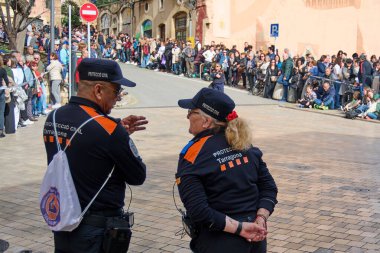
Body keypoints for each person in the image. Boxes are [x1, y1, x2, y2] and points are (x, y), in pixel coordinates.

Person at [43, 58, 147, 253]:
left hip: (63, 218)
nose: (118, 98)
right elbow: (138, 176)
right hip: (97, 229)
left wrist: (117, 131)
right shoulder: (110, 130)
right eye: (116, 92)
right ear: (98, 90)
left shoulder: (54, 117)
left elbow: (84, 147)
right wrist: (120, 135)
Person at [176, 88, 278, 253]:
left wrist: (240, 228)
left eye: (191, 112)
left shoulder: (193, 154)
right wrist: (261, 218)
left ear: (207, 121)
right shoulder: (245, 145)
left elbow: (198, 211)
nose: (187, 116)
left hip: (220, 241)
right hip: (256, 239)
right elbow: (269, 188)